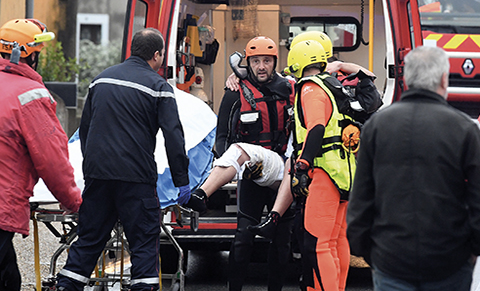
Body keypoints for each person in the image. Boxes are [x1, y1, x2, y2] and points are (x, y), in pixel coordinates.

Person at [56, 28, 190, 291]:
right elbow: (174, 137)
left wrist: (92, 167)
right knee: (142, 241)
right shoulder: (159, 87)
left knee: (90, 237)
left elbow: (85, 130)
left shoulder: (100, 80)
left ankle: (66, 285)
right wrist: (181, 181)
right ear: (157, 55)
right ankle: (143, 287)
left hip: (98, 175)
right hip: (136, 178)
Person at [346, 46, 480, 291]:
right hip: (449, 262)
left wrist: (366, 251)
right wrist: (472, 251)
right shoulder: (464, 129)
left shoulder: (377, 126)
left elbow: (361, 196)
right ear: (443, 79)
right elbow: (477, 199)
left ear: (406, 78)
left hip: (390, 259)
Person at [187, 36, 295, 291]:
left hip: (283, 174)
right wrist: (234, 172)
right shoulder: (235, 92)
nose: (261, 66)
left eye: (266, 61)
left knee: (282, 241)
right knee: (243, 237)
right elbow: (222, 136)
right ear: (247, 63)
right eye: (256, 61)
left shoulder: (291, 89)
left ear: (274, 62)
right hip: (250, 175)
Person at [0, 18, 83, 291]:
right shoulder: (30, 95)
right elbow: (52, 162)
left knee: (9, 274)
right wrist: (75, 202)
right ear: (29, 55)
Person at [272, 39, 357, 291]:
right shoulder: (334, 86)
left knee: (318, 244)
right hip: (343, 173)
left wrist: (302, 165)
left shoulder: (309, 88)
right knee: (336, 240)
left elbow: (317, 127)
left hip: (323, 173)